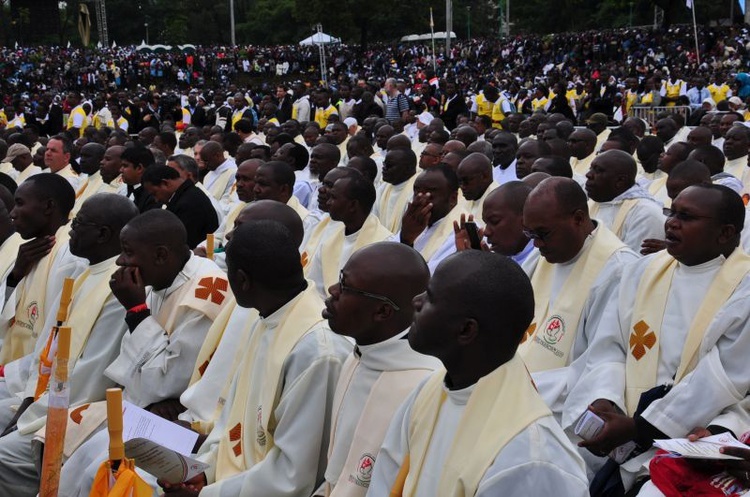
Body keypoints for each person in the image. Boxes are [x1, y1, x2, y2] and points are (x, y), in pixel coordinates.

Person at [564, 184, 750, 494]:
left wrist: (640, 428)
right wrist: (605, 399)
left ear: (725, 232)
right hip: (623, 424)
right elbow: (611, 346)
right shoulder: (642, 270)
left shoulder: (743, 289)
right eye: (671, 212)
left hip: (697, 435)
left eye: (686, 217)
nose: (671, 223)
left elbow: (722, 379)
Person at [367, 250, 589, 496]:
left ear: (465, 330)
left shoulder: (529, 456)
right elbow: (386, 478)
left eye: (430, 297)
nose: (415, 302)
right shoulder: (429, 391)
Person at [162, 220, 350, 497]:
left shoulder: (316, 353)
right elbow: (233, 423)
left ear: (242, 280)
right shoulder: (269, 317)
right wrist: (203, 472)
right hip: (235, 481)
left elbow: (293, 475)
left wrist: (207, 493)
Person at [56, 209, 231, 496]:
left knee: (98, 473)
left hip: (180, 424)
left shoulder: (206, 295)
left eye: (127, 252)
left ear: (161, 255)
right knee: (73, 461)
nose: (120, 262)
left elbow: (162, 384)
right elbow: (138, 373)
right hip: (142, 410)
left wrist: (137, 311)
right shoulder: (159, 278)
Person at [0, 194, 139, 496]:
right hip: (39, 396)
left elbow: (90, 378)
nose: (70, 229)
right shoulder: (85, 273)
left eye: (78, 223)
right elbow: (45, 352)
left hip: (75, 412)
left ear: (102, 234)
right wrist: (25, 401)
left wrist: (25, 414)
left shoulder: (116, 291)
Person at [320, 242, 441, 497]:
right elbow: (337, 475)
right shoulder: (359, 355)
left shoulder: (424, 387)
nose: (332, 290)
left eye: (345, 286)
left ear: (383, 311)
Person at [520, 177, 636, 419]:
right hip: (528, 388)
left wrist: (517, 388)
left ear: (579, 219)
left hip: (567, 408)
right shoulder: (545, 253)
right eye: (529, 233)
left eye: (543, 233)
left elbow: (601, 364)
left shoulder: (618, 269)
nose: (536, 243)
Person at [0, 174, 86, 365]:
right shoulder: (30, 250)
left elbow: (55, 337)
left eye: (20, 203)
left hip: (32, 373)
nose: (13, 213)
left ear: (48, 206)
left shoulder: (70, 258)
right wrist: (16, 276)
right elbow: (5, 323)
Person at [307, 172, 391, 298]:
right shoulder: (330, 241)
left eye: (334, 198)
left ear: (352, 205)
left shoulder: (385, 245)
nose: (328, 202)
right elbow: (315, 290)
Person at [586, 150, 665, 252]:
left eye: (598, 170)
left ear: (620, 181)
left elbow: (634, 263)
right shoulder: (594, 202)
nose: (588, 175)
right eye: (590, 168)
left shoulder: (646, 213)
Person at [398, 164, 462, 273]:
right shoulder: (415, 222)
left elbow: (432, 276)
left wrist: (407, 242)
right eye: (417, 192)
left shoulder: (462, 232)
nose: (420, 199)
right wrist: (405, 237)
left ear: (452, 198)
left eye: (429, 194)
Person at [142, 165, 219, 249]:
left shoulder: (188, 203)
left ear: (165, 183)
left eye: (155, 194)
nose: (156, 200)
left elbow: (180, 244)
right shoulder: (186, 196)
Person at [373, 148, 418, 233]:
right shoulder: (383, 188)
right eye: (384, 164)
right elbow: (374, 219)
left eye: (389, 165)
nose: (384, 168)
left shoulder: (415, 192)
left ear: (407, 168)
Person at [71, 143, 116, 215]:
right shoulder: (83, 177)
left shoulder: (104, 182)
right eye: (81, 155)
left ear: (101, 159)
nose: (82, 160)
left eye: (87, 156)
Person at [456, 152, 499, 219]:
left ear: (485, 176)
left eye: (466, 181)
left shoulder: (500, 202)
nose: (462, 187)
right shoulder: (462, 199)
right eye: (460, 182)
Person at [119, 145, 160, 212]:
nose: (120, 170)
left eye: (125, 166)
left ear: (139, 168)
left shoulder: (153, 195)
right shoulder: (126, 188)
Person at [200, 141, 237, 212]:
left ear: (217, 155)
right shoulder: (209, 174)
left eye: (206, 161)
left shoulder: (233, 173)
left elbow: (228, 201)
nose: (205, 165)